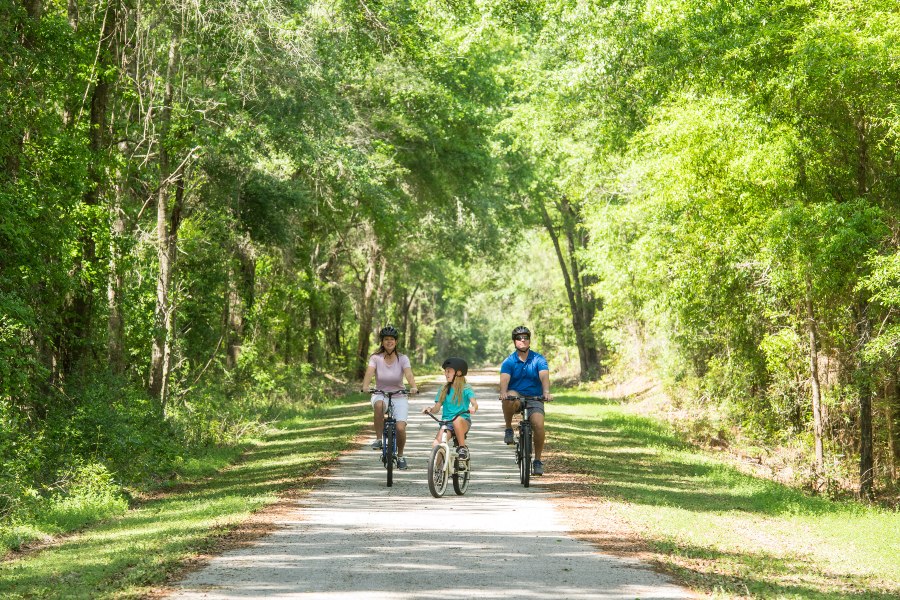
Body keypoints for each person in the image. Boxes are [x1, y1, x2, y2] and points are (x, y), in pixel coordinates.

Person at [360, 325, 418, 470]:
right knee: (378, 405)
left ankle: (400, 456)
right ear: (382, 341)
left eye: (392, 339)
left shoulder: (403, 358)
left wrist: (413, 386)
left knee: (400, 428)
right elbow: (369, 373)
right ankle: (379, 439)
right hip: (380, 393)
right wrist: (366, 386)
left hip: (399, 395)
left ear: (396, 342)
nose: (389, 342)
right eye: (386, 339)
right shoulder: (375, 358)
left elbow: (408, 374)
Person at [499, 325, 552, 476]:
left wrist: (546, 392)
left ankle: (537, 460)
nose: (523, 340)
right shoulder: (509, 361)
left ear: (529, 340)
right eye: (519, 338)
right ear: (514, 342)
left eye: (525, 338)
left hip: (535, 397)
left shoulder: (538, 359)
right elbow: (504, 379)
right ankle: (509, 428)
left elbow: (544, 375)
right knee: (509, 397)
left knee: (539, 425)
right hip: (517, 395)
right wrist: (503, 392)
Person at [422, 357, 478, 461]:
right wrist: (430, 409)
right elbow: (437, 408)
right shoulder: (443, 388)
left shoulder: (466, 388)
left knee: (457, 420)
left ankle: (462, 447)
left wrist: (473, 408)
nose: (446, 374)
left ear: (459, 373)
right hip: (447, 423)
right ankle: (437, 471)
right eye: (445, 371)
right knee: (436, 444)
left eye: (449, 371)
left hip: (463, 421)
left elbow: (475, 403)